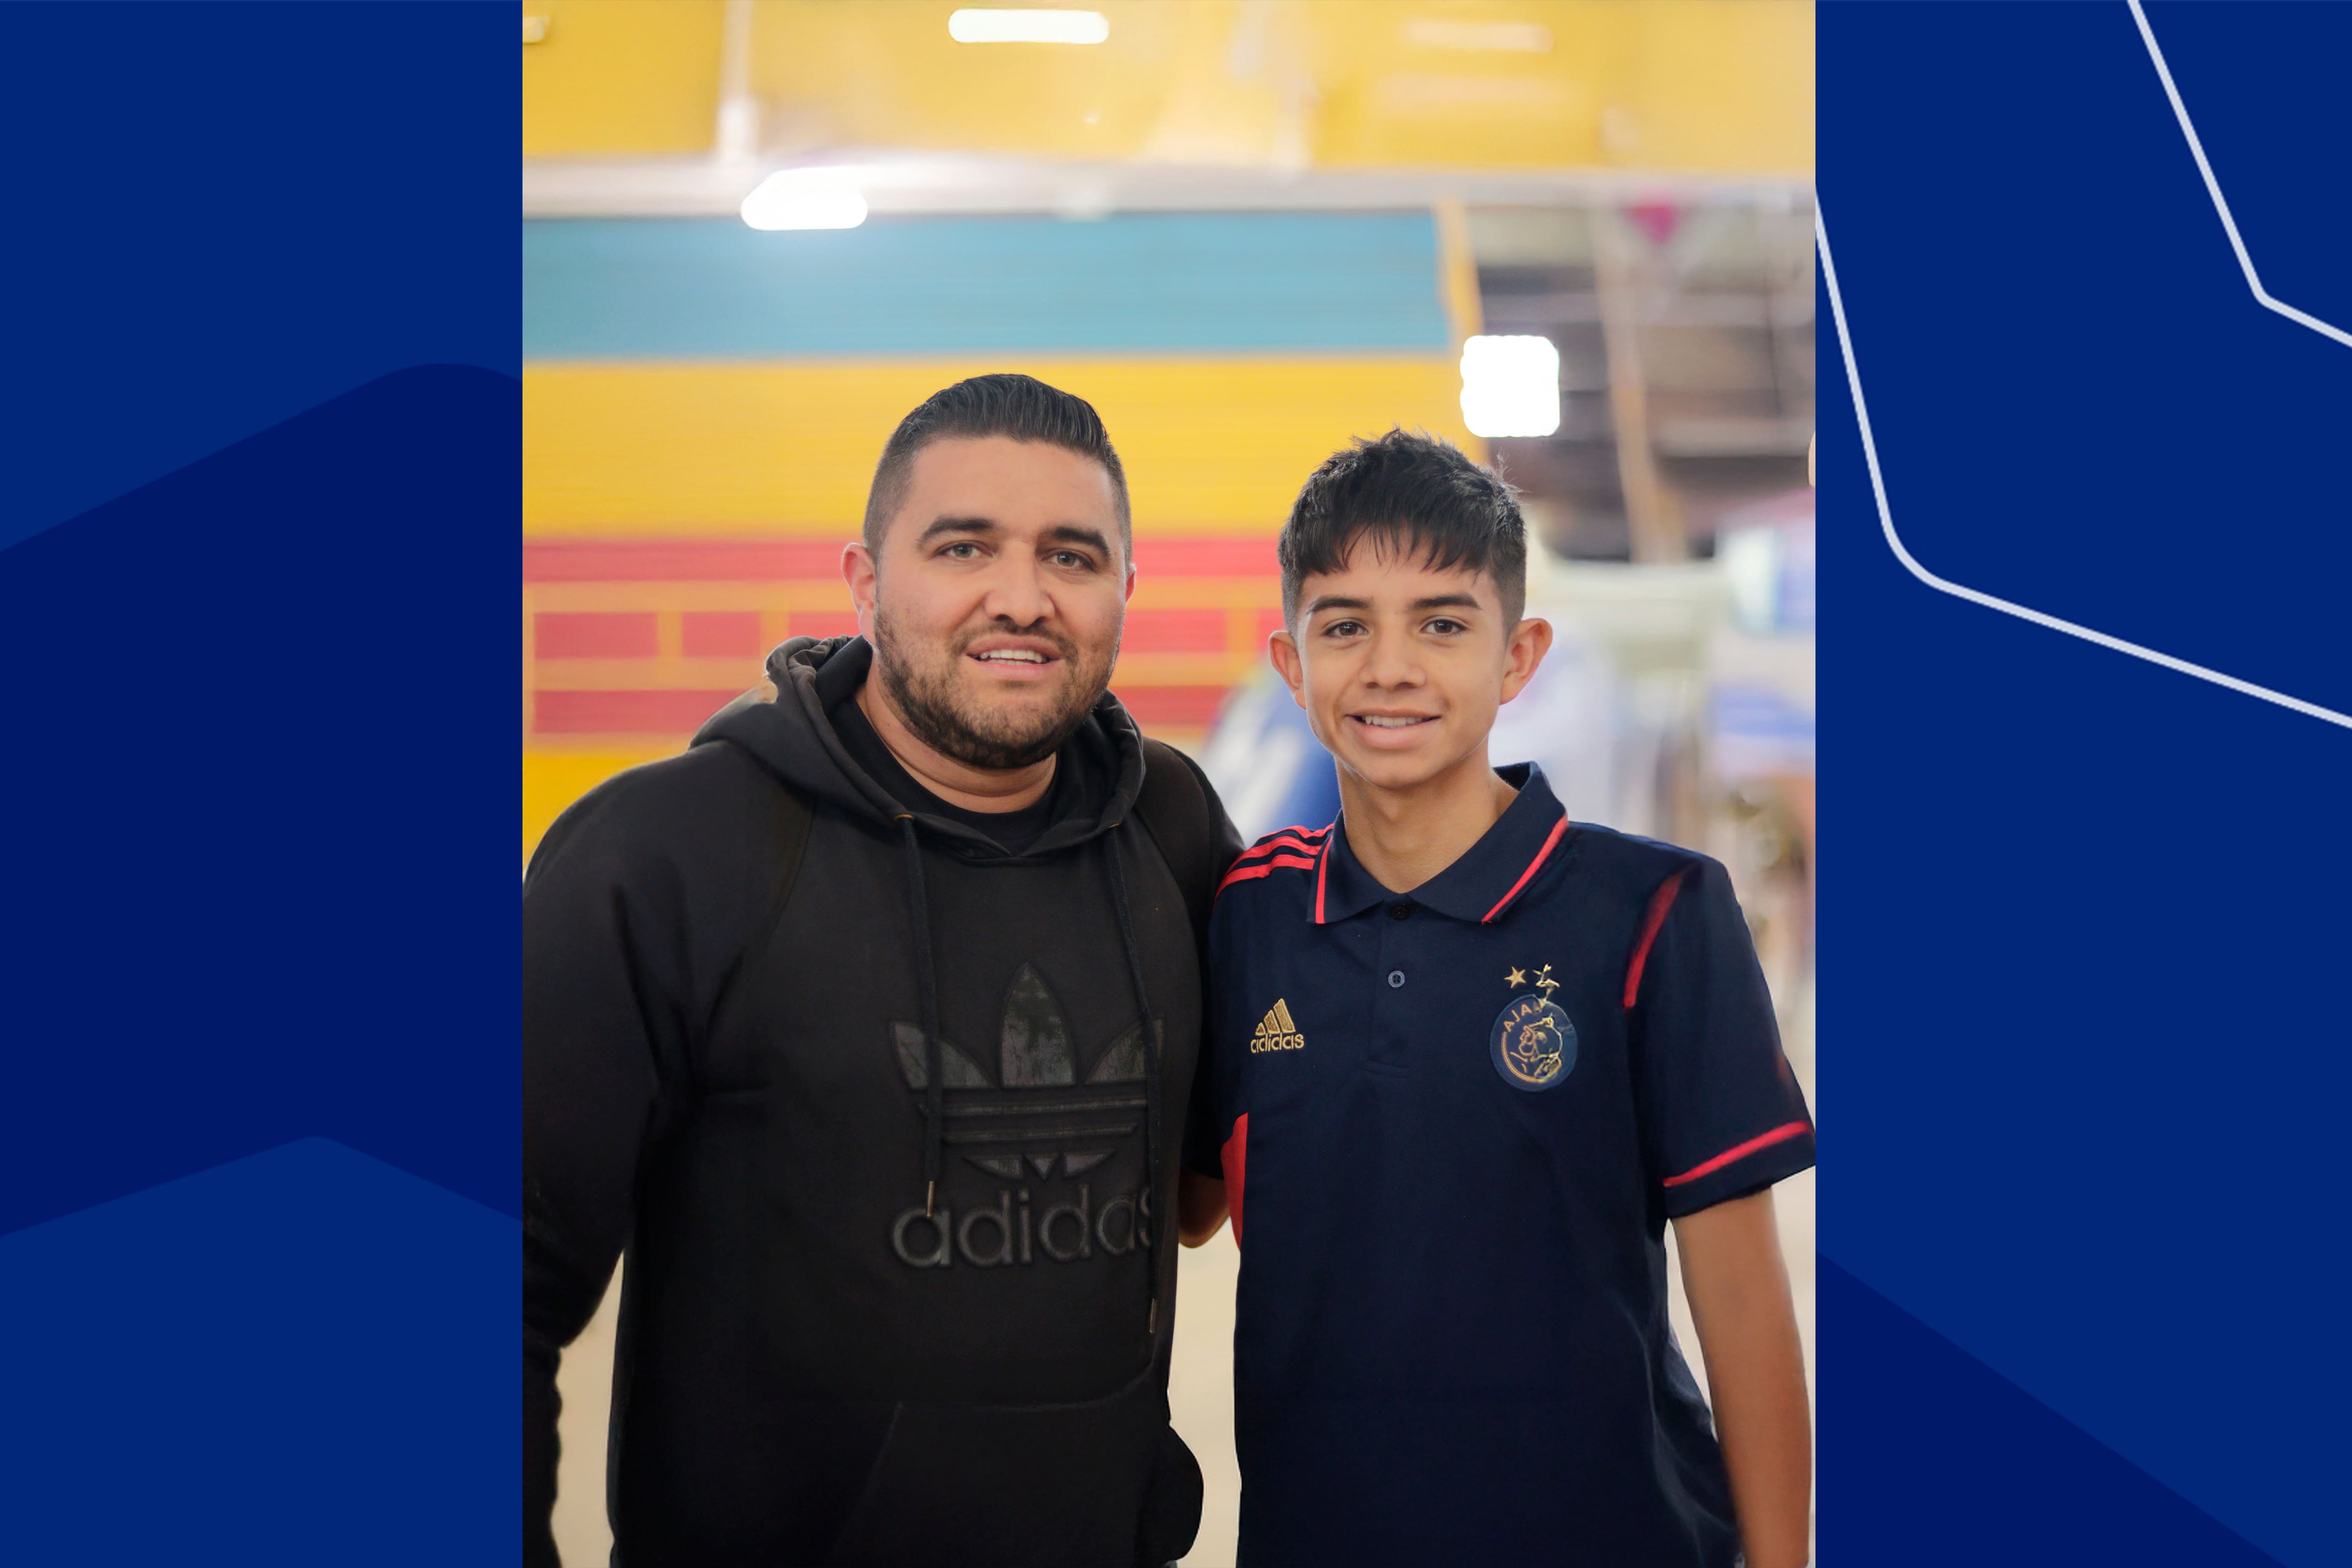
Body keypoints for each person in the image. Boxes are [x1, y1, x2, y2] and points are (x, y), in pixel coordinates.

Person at [525, 374, 1242, 1567]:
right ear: (864, 582)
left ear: (1124, 587)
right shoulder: (662, 855)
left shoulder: (1167, 828)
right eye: (964, 546)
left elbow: (1216, 1181)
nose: (1021, 598)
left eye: (1071, 557)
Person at [1173, 431, 1815, 1567]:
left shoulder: (1654, 913)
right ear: (1289, 663)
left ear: (1516, 657)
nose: (1389, 667)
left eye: (1441, 622)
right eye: (1343, 626)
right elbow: (1187, 1207)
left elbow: (1746, 1319)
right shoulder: (1247, 917)